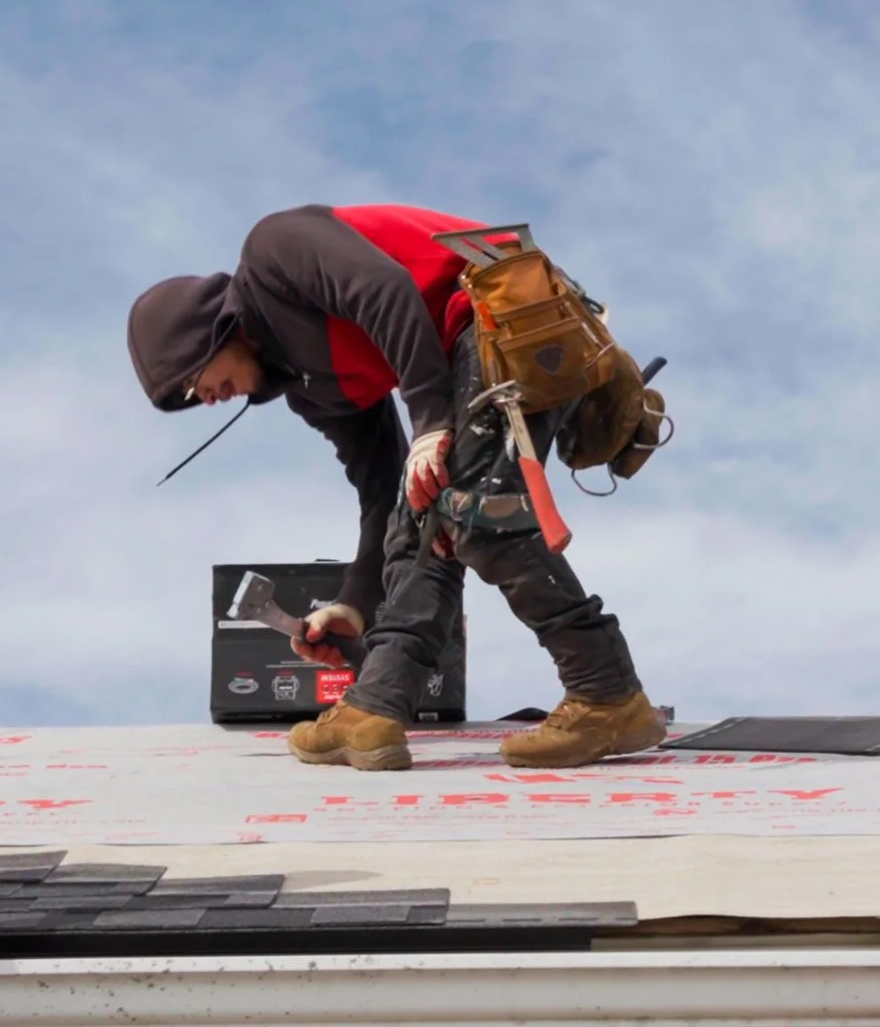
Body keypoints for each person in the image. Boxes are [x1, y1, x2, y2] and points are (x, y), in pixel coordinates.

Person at [126, 203, 666, 771]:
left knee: (476, 515)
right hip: (463, 353)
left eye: (191, 383)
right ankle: (377, 706)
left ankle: (606, 693)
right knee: (422, 523)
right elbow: (383, 493)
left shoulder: (274, 251)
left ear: (205, 334)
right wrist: (356, 604)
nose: (203, 400)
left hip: (507, 311)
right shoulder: (315, 392)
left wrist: (431, 422)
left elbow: (388, 291)